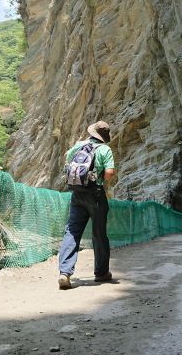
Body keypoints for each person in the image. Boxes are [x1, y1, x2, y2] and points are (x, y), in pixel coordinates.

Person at [58, 120, 115, 290]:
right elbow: (109, 174)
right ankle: (101, 272)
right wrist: (99, 177)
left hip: (77, 193)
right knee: (99, 233)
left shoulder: (79, 145)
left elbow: (67, 160)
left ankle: (65, 273)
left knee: (72, 231)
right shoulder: (105, 149)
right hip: (95, 194)